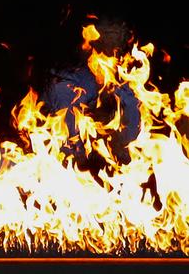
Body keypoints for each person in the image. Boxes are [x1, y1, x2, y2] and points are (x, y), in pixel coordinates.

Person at [40, 17, 141, 175]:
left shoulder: (132, 83)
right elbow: (70, 139)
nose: (114, 40)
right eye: (107, 33)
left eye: (120, 33)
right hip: (74, 171)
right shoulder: (71, 84)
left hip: (125, 170)